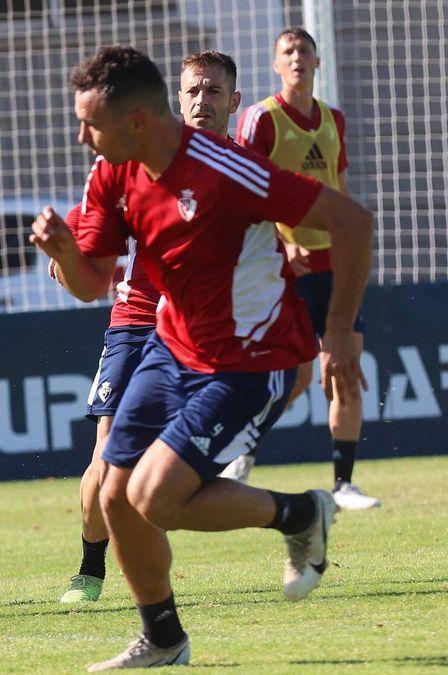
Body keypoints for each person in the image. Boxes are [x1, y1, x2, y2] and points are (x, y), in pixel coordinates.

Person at [30, 46, 372, 669]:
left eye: (90, 124)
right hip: (172, 348)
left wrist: (342, 330)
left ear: (136, 121)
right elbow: (91, 283)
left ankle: (301, 513)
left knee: (155, 497)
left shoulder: (227, 169)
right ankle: (164, 639)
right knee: (113, 493)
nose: (81, 137)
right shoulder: (112, 172)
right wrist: (64, 251)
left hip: (253, 360)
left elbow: (352, 222)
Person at [55, 50, 241, 605]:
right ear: (175, 99)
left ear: (232, 101)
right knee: (107, 454)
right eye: (192, 91)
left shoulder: (243, 170)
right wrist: (70, 251)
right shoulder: (140, 156)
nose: (201, 101)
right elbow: (90, 228)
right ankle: (90, 570)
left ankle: (156, 587)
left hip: (203, 334)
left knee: (165, 475)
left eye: (212, 91)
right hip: (136, 324)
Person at [228, 28, 380, 510]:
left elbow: (340, 190)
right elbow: (245, 193)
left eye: (304, 51)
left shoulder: (333, 119)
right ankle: (242, 454)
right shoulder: (261, 119)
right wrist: (279, 243)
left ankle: (344, 485)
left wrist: (352, 251)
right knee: (290, 379)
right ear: (276, 65)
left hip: (334, 265)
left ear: (317, 61)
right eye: (287, 52)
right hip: (288, 270)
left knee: (346, 369)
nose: (297, 58)